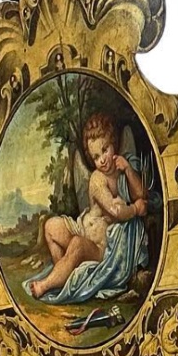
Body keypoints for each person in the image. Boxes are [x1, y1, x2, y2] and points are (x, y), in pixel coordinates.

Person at [27, 113, 149, 302]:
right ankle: (65, 274)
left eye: (105, 150)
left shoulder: (123, 169)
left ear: (114, 143)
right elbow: (116, 209)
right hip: (82, 230)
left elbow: (140, 194)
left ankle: (46, 285)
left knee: (77, 244)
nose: (102, 160)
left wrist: (127, 169)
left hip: (100, 249)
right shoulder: (97, 179)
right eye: (96, 157)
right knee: (50, 226)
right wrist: (134, 209)